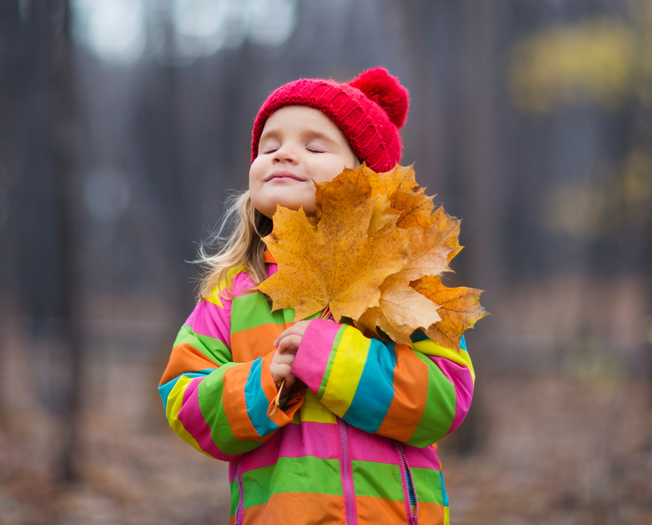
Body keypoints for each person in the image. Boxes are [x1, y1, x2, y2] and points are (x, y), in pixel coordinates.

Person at [157, 67, 475, 525]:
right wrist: (264, 382)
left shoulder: (402, 282)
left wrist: (334, 359)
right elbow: (181, 397)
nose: (284, 154)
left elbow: (445, 400)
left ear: (367, 180)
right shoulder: (235, 294)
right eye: (270, 145)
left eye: (314, 146)